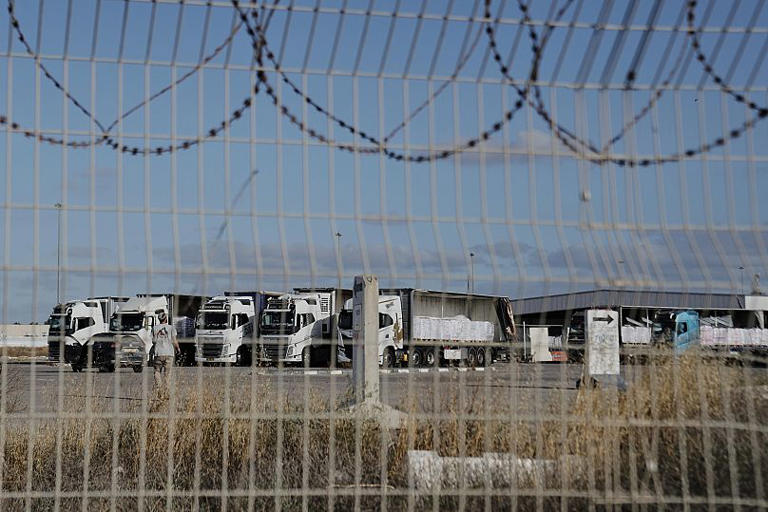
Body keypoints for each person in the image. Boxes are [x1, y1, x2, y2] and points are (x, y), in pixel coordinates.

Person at [152, 310, 178, 394]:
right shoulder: (171, 328)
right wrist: (178, 349)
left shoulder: (155, 328)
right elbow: (174, 341)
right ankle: (167, 392)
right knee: (167, 374)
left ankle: (159, 390)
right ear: (166, 319)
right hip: (169, 353)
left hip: (158, 353)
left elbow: (153, 341)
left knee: (157, 372)